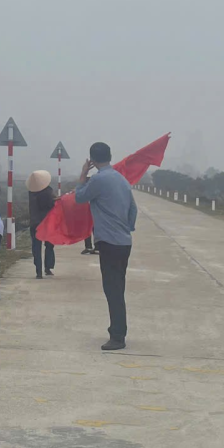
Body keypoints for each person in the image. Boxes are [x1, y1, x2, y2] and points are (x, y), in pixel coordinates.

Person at [74, 141, 137, 351]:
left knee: (112, 290)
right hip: (124, 242)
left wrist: (83, 174)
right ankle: (118, 330)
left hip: (109, 242)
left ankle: (117, 336)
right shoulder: (121, 179)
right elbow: (133, 209)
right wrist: (126, 228)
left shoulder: (99, 180)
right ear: (110, 156)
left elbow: (79, 197)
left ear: (92, 159)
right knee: (118, 287)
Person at [26, 170, 57, 278]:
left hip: (34, 223)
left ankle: (38, 271)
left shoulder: (31, 193)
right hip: (46, 223)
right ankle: (48, 268)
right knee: (49, 245)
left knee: (36, 247)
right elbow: (51, 204)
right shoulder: (47, 192)